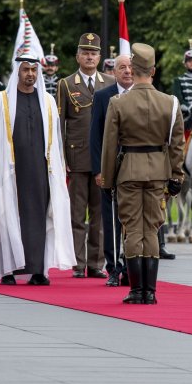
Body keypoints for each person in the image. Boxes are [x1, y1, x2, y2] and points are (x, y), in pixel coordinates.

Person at [0, 48, 76, 285]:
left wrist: (60, 167)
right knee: (7, 215)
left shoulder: (48, 101)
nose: (30, 74)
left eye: (34, 70)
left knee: (39, 218)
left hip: (40, 171)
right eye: (26, 70)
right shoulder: (0, 100)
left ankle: (38, 270)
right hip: (10, 171)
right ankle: (8, 271)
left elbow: (57, 140)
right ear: (18, 72)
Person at [100, 43, 185, 304]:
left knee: (132, 229)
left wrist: (108, 178)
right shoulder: (170, 103)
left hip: (129, 172)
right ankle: (151, 291)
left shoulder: (118, 102)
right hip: (159, 171)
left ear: (133, 70)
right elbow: (177, 143)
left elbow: (109, 145)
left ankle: (137, 291)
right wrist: (176, 176)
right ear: (154, 71)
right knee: (152, 228)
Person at [57, 33, 115, 279]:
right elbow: (60, 125)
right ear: (77, 56)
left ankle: (96, 263)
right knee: (77, 214)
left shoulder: (110, 83)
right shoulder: (66, 84)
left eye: (93, 53)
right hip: (77, 157)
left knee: (100, 214)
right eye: (85, 53)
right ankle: (78, 263)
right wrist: (61, 160)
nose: (89, 57)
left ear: (100, 57)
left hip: (103, 156)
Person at [91, 54, 133, 287]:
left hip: (135, 169)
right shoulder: (102, 97)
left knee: (133, 221)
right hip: (110, 169)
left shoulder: (143, 96)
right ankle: (113, 268)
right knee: (111, 220)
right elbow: (95, 136)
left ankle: (130, 266)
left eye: (130, 67)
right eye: (122, 68)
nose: (127, 71)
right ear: (114, 72)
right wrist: (98, 169)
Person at [171, 39, 192, 133]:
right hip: (186, 116)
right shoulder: (178, 80)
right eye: (189, 60)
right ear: (185, 63)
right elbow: (179, 101)